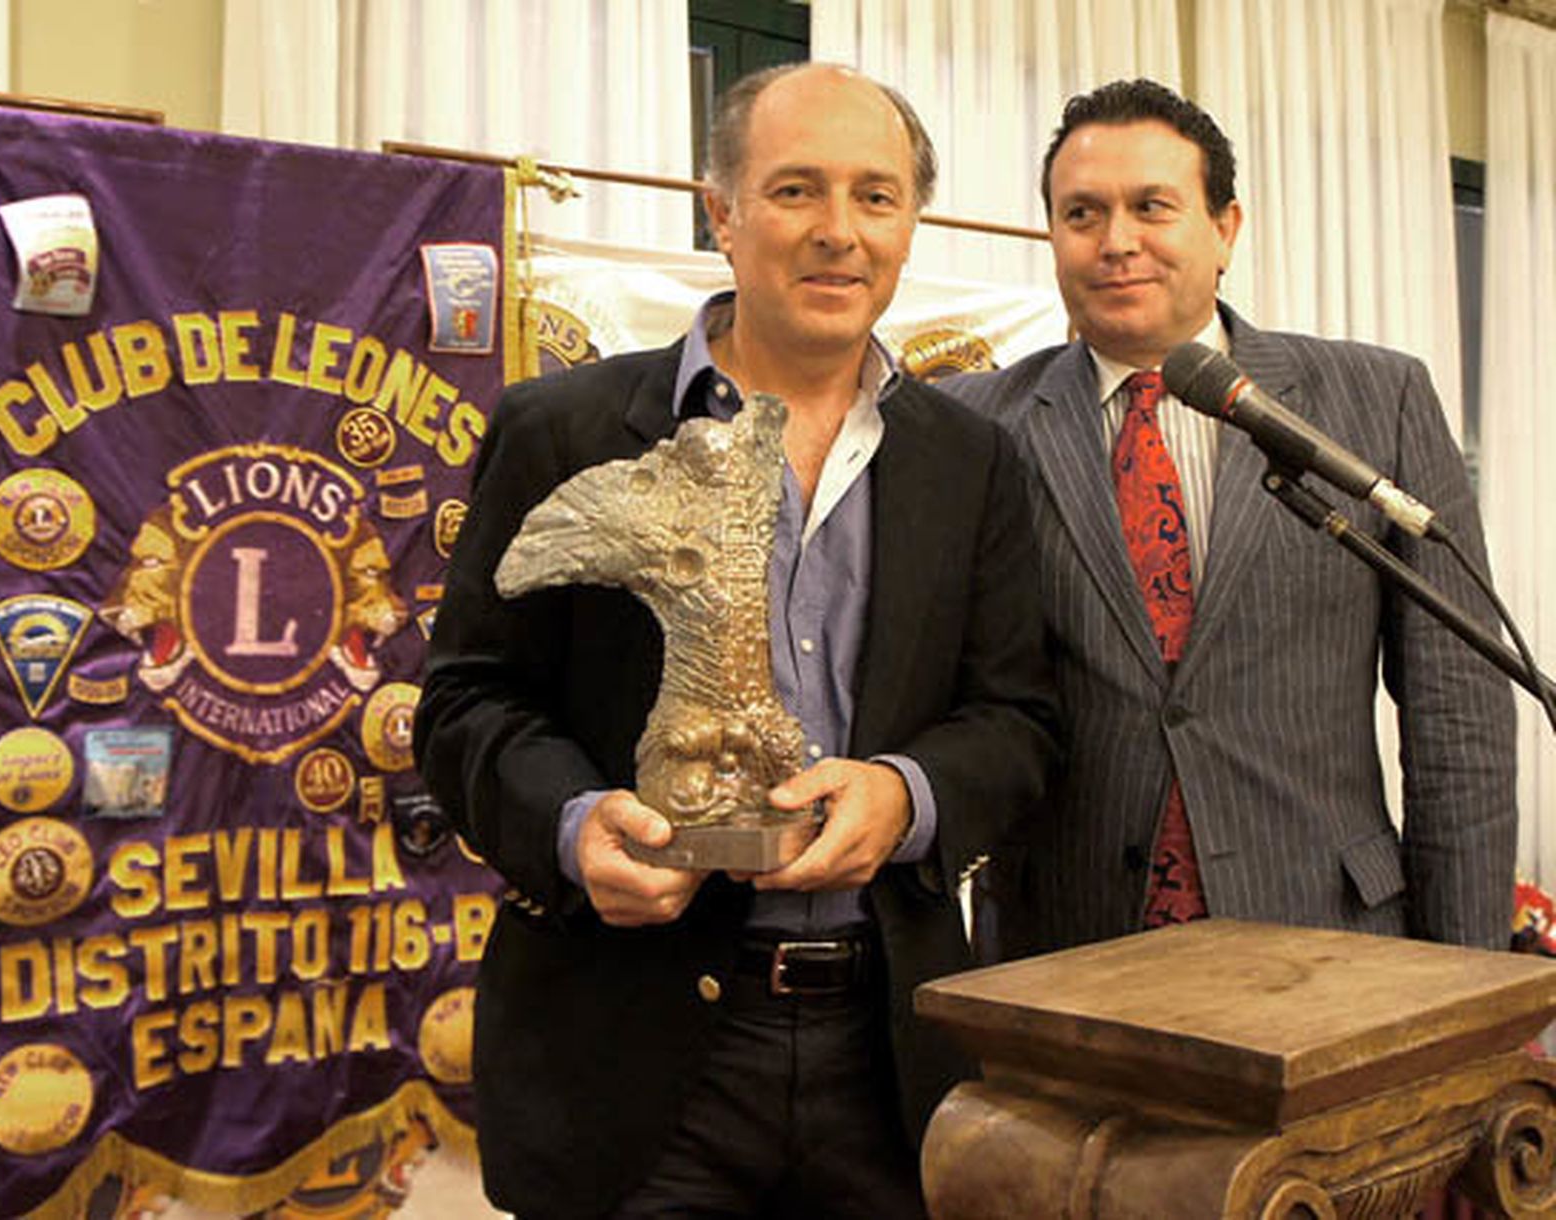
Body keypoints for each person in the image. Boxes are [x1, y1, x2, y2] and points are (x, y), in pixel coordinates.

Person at [415, 62, 1060, 1220]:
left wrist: (902, 796)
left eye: (875, 196)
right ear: (721, 212)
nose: (837, 233)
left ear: (912, 220)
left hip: (891, 1055)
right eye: (795, 190)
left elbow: (1016, 721)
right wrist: (573, 827)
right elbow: (466, 702)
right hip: (628, 1056)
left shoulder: (972, 463)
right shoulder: (561, 429)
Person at [947, 78, 1516, 959]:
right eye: (1082, 214)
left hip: (1330, 936)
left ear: (1226, 229)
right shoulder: (975, 426)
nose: (1117, 242)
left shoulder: (1376, 401)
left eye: (1152, 207)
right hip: (1065, 954)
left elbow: (1458, 716)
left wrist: (1469, 981)